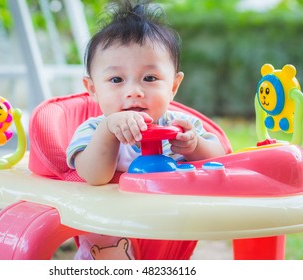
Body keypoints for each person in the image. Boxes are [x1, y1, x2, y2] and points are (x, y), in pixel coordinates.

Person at [66, 0, 226, 260]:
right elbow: (93, 175)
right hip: (109, 253)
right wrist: (109, 131)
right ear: (93, 88)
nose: (134, 91)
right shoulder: (94, 129)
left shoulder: (181, 126)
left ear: (173, 86)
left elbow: (219, 160)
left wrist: (195, 146)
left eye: (150, 78)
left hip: (167, 248)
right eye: (116, 80)